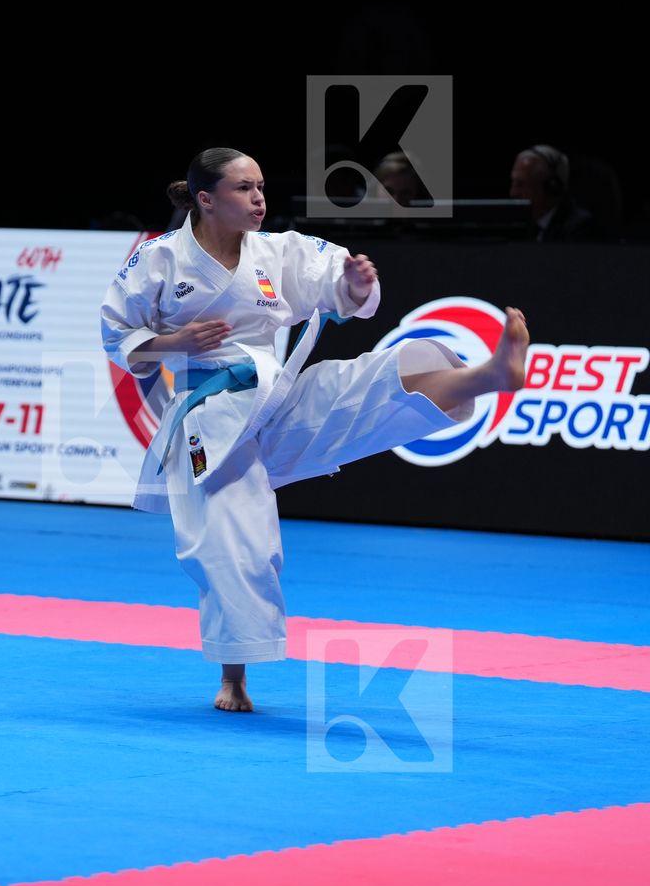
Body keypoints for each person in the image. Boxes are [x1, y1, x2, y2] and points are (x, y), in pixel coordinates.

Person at [100, 147, 528, 711]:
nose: (259, 199)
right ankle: (234, 678)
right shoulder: (158, 260)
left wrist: (353, 286)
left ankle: (488, 374)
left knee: (373, 381)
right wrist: (177, 343)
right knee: (235, 540)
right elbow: (116, 335)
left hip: (276, 395)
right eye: (243, 189)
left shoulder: (279, 251)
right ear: (205, 200)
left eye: (260, 187)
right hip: (210, 418)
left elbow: (345, 295)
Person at [509, 144, 600, 241]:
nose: (513, 193)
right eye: (513, 182)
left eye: (521, 184)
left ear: (551, 187)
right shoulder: (520, 225)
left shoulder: (578, 228)